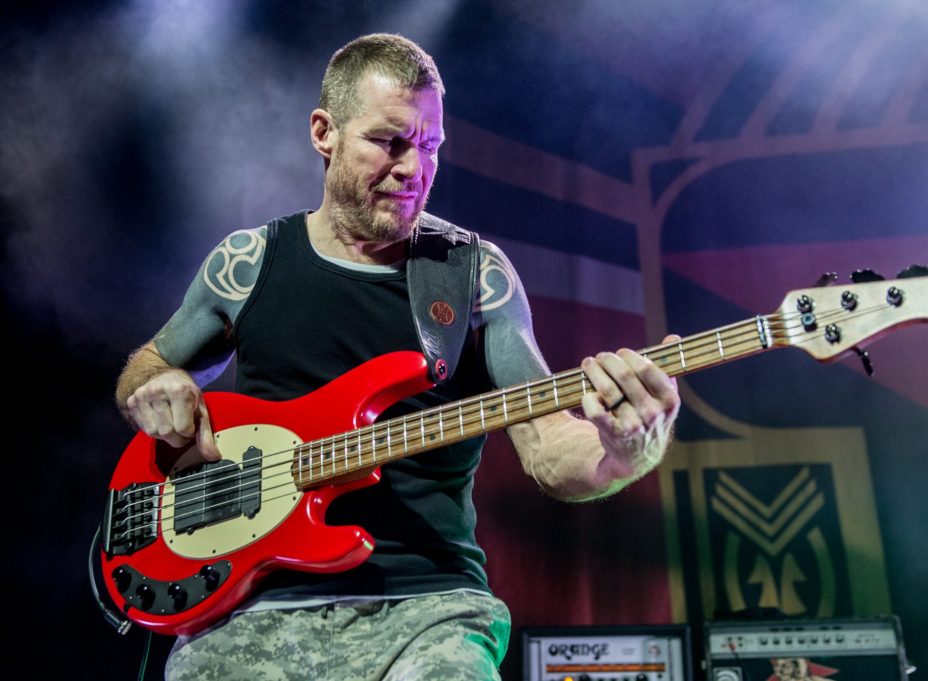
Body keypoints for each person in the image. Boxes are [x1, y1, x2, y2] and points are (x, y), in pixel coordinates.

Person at [114, 33, 680, 680]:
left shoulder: (474, 274)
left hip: (427, 610)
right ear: (324, 132)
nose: (415, 168)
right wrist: (160, 386)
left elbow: (549, 445)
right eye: (390, 142)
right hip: (247, 607)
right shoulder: (247, 264)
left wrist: (622, 452)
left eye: (431, 146)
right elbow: (147, 367)